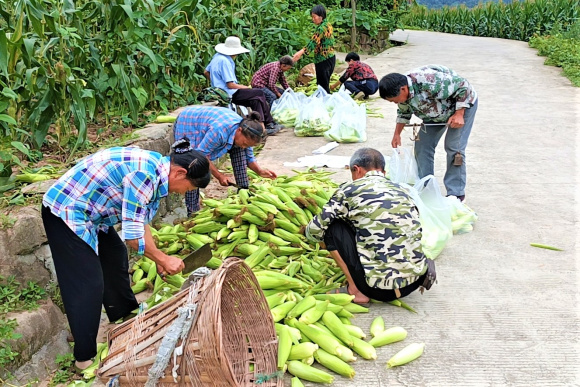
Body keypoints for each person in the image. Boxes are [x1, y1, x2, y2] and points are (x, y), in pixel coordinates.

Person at [41, 140, 210, 371]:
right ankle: (84, 358)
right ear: (180, 173)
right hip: (67, 209)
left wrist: (158, 257)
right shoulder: (144, 176)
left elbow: (141, 224)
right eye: (188, 189)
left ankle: (124, 315)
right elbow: (133, 239)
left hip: (93, 211)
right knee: (87, 282)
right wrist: (162, 258)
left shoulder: (158, 168)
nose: (183, 194)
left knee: (114, 255)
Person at [305, 148, 435, 304]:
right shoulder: (403, 191)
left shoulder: (349, 190)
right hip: (413, 283)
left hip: (376, 290)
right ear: (384, 172)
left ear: (357, 170)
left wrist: (311, 236)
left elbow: (314, 229)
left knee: (333, 227)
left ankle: (356, 290)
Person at [379, 64, 478, 202]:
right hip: (434, 114)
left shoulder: (428, 80)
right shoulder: (402, 94)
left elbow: (463, 86)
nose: (394, 103)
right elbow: (403, 112)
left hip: (462, 106)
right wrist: (397, 134)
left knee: (454, 148)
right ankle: (427, 187)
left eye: (394, 100)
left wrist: (460, 113)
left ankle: (456, 193)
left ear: (403, 89)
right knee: (422, 147)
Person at [173, 105, 277, 215]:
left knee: (239, 149)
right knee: (193, 167)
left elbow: (248, 156)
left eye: (248, 145)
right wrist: (219, 176)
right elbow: (201, 155)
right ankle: (192, 212)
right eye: (245, 143)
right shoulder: (219, 131)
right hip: (188, 124)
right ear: (239, 130)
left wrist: (259, 171)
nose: (244, 146)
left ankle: (244, 192)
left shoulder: (247, 132)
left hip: (208, 122)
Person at [205, 36, 282, 135]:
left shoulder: (217, 57)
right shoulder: (225, 61)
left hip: (220, 91)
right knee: (259, 92)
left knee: (255, 100)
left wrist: (216, 83)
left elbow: (206, 72)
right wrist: (246, 87)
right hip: (228, 93)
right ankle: (269, 122)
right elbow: (230, 85)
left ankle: (262, 127)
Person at [292, 4, 335, 94]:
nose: (313, 19)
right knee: (323, 85)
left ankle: (326, 104)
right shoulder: (328, 25)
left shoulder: (322, 28)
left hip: (324, 60)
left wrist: (300, 53)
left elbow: (313, 42)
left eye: (314, 17)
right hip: (329, 58)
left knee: (323, 86)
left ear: (321, 16)